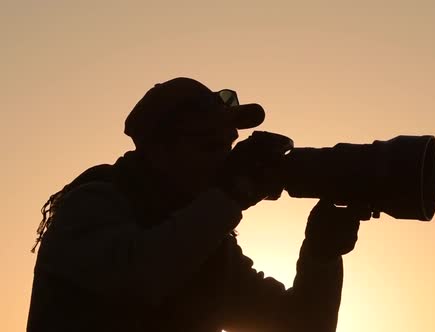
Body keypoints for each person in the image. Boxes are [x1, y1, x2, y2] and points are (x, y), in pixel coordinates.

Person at [27, 77, 371, 332]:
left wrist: (321, 257)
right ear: (158, 149)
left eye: (228, 145)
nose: (225, 160)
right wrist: (230, 196)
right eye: (209, 147)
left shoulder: (208, 246)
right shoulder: (91, 205)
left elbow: (300, 324)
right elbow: (142, 277)